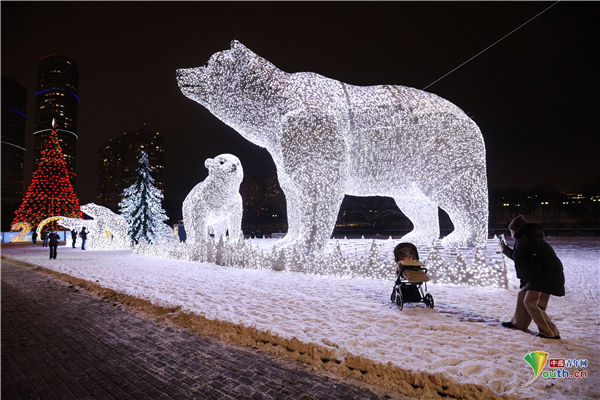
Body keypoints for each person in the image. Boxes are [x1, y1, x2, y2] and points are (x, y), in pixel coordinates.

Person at [500, 215, 565, 340]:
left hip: (546, 276)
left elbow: (518, 257)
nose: (511, 234)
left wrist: (504, 249)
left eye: (511, 231)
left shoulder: (525, 238)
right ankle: (518, 323)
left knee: (532, 302)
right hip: (539, 275)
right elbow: (524, 260)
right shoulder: (527, 237)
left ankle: (550, 332)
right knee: (522, 295)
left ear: (515, 229)